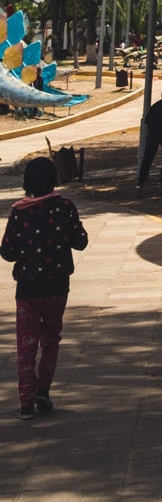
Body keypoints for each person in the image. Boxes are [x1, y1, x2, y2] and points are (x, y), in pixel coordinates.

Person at [1, 154, 87, 416]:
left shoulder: (19, 212)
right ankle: (43, 391)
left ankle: (26, 400)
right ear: (53, 180)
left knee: (26, 343)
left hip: (28, 288)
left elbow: (7, 251)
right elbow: (80, 241)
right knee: (51, 339)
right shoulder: (65, 207)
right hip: (58, 286)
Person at [136, 85, 162, 194]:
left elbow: (147, 120)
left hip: (152, 134)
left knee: (148, 157)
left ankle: (141, 181)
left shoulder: (155, 105)